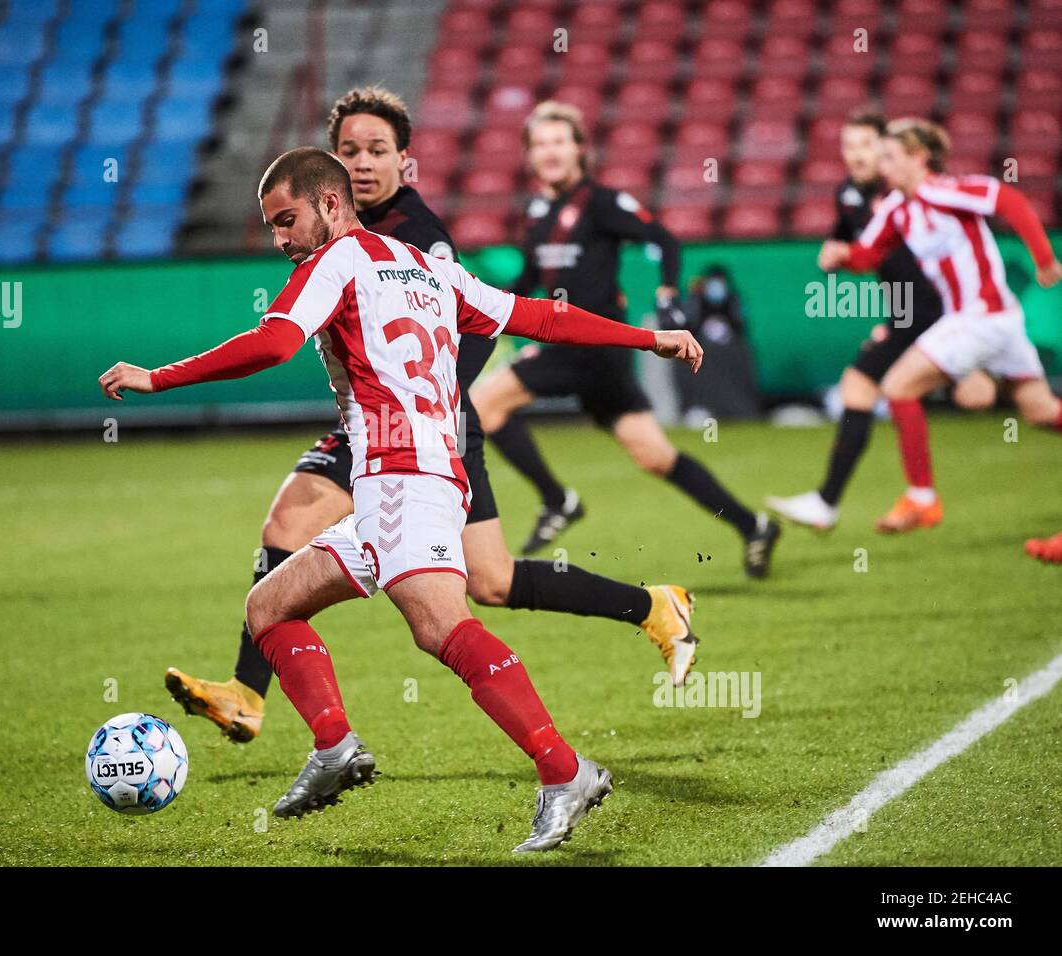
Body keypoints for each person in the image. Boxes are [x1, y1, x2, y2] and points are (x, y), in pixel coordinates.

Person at [98, 147, 705, 851]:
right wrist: (647, 338)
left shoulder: (335, 262)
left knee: (442, 627)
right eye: (271, 227)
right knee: (268, 606)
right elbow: (541, 318)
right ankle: (334, 747)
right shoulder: (428, 268)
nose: (280, 239)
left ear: (331, 204)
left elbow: (274, 343)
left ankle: (563, 770)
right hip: (422, 476)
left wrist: (158, 379)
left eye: (287, 219)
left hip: (399, 477)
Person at [471, 101, 781, 576]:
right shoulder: (538, 211)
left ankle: (558, 500)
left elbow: (665, 241)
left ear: (579, 149)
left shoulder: (601, 202)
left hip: (593, 346)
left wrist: (666, 291)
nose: (550, 151)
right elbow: (530, 279)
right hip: (583, 352)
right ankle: (753, 524)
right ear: (530, 155)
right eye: (540, 144)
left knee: (483, 403)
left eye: (560, 141)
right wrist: (484, 310)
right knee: (655, 455)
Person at [818, 118, 1062, 532]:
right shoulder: (896, 207)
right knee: (1040, 411)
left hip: (981, 315)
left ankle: (922, 498)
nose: (883, 165)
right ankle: (921, 497)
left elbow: (1010, 202)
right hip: (989, 321)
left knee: (897, 386)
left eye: (890, 157)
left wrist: (1043, 259)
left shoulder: (944, 190)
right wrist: (840, 257)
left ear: (919, 157)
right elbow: (867, 254)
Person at [768, 111, 989, 532]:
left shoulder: (906, 195)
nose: (856, 155)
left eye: (866, 146)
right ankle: (835, 501)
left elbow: (927, 260)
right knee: (864, 387)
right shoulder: (850, 194)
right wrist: (833, 256)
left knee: (1014, 400)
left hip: (938, 310)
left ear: (888, 151)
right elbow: (851, 244)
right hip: (910, 312)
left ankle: (850, 501)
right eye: (848, 146)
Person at [672, 264, 762, 423]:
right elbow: (687, 325)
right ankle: (697, 409)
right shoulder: (696, 301)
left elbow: (741, 326)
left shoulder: (733, 299)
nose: (716, 286)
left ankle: (736, 410)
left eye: (719, 281)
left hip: (730, 354)